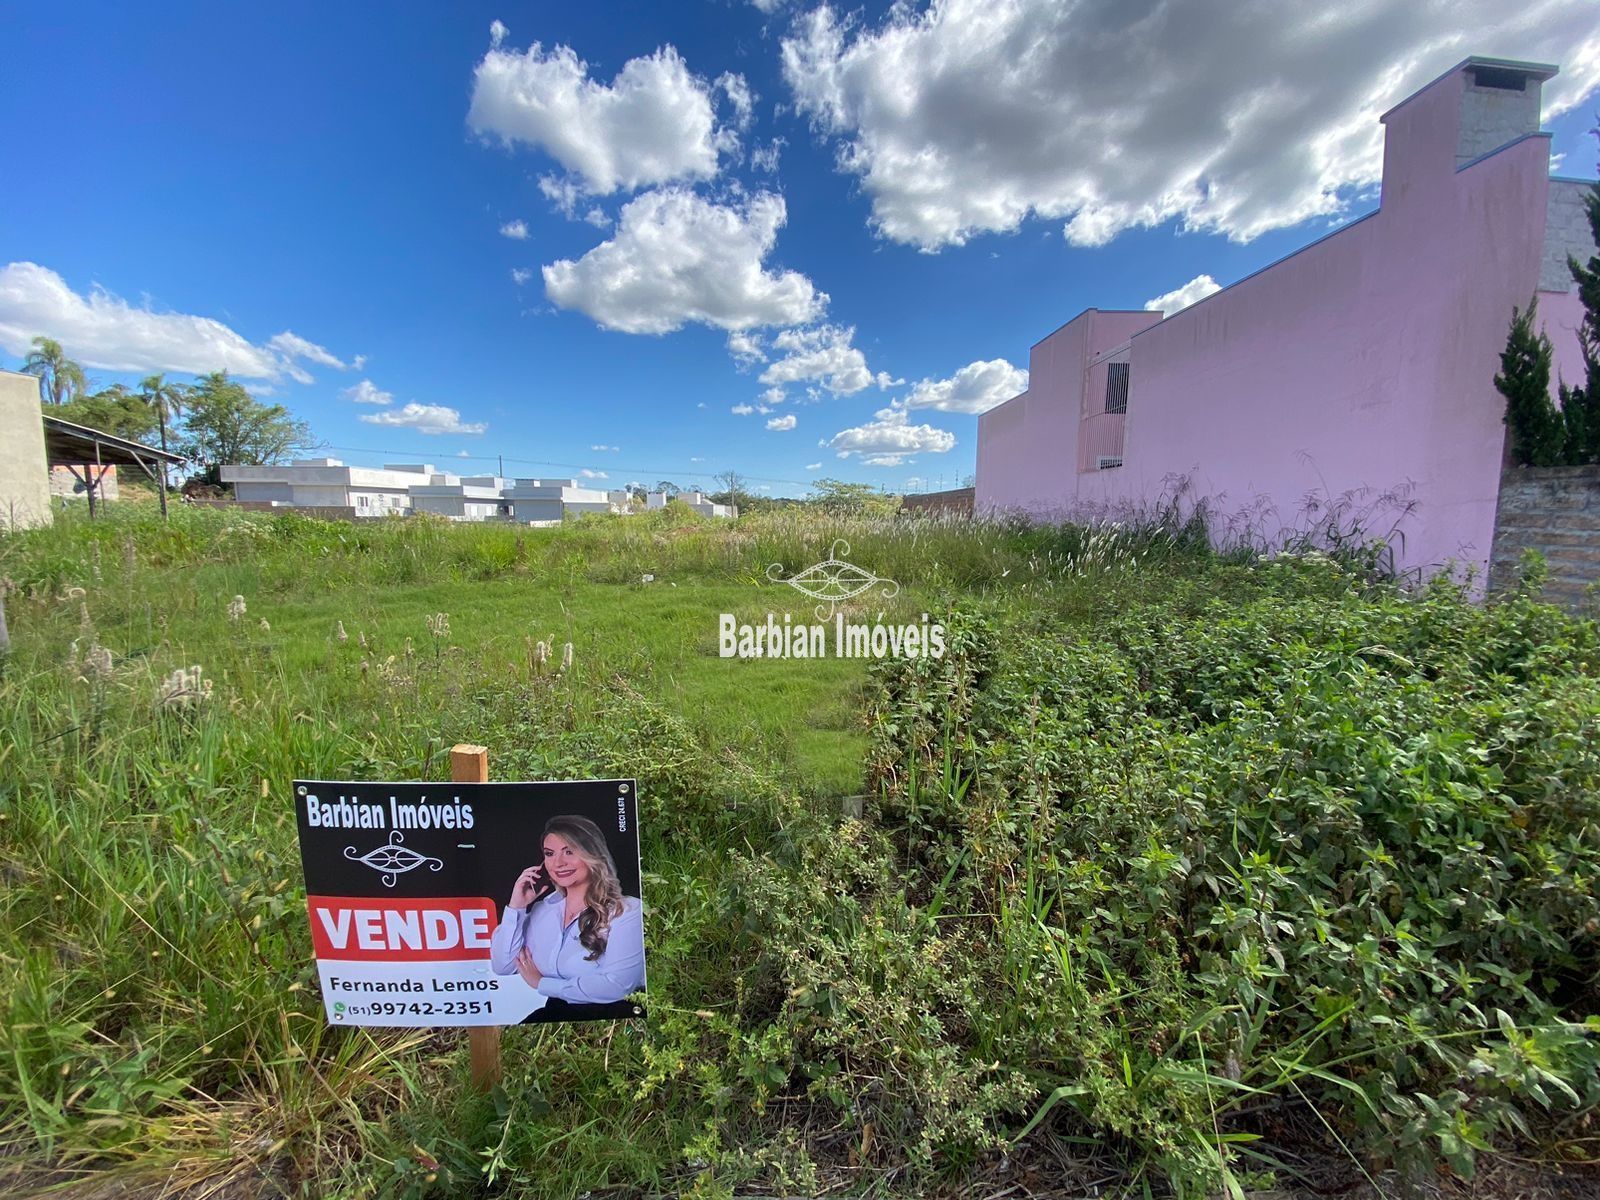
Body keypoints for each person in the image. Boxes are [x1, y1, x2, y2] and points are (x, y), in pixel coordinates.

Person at [489, 814, 645, 1021]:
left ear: (592, 855)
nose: (558, 863)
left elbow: (617, 986)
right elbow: (503, 965)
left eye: (569, 852)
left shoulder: (626, 911)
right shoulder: (543, 911)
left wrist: (542, 983)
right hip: (557, 1013)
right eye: (549, 853)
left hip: (613, 1017)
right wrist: (516, 907)